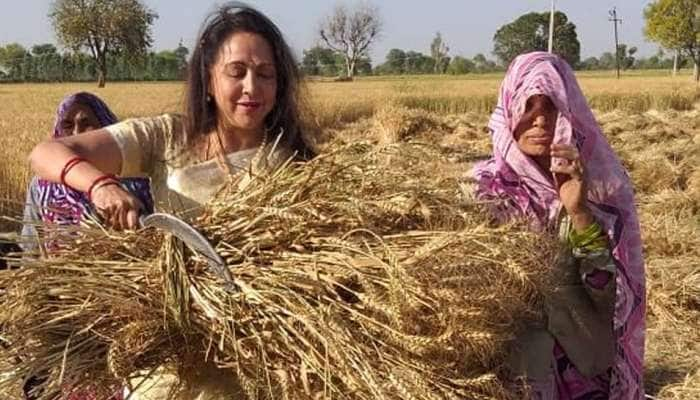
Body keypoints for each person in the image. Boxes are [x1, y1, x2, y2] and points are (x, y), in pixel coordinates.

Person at [28, 2, 313, 399]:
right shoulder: (167, 138)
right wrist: (100, 186)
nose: (252, 87)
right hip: (172, 360)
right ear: (208, 77)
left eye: (266, 74)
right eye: (237, 72)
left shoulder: (299, 164)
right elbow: (45, 154)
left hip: (255, 368)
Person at [471, 52, 645, 399]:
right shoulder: (480, 191)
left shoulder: (599, 187)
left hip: (584, 369)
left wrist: (578, 210)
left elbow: (610, 292)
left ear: (568, 113)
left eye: (550, 107)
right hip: (512, 374)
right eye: (528, 106)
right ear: (509, 109)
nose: (539, 121)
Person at [20, 92, 153, 252]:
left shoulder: (136, 177)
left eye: (86, 123)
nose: (76, 133)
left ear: (105, 128)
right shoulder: (42, 185)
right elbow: (30, 249)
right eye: (67, 125)